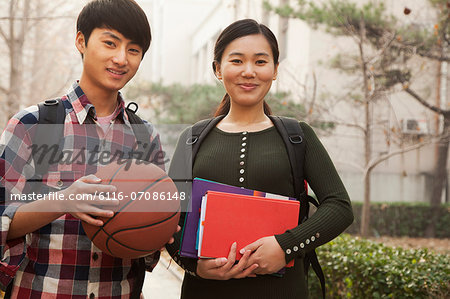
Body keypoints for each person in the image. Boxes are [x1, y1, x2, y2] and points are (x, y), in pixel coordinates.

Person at [166, 19, 354, 298]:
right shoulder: (191, 139)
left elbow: (340, 207)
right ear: (218, 69)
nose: (249, 72)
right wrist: (194, 266)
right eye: (237, 61)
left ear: (275, 70)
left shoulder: (298, 136)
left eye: (261, 62)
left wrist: (285, 246)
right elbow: (166, 221)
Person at [0, 0, 171, 298]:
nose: (121, 58)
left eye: (133, 50)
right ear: (81, 41)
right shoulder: (33, 124)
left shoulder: (146, 138)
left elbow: (148, 246)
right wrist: (64, 201)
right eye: (110, 43)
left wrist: (161, 226)